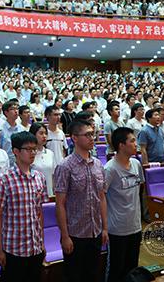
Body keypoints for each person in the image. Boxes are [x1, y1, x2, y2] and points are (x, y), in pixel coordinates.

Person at [54, 120, 108, 282]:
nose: (92, 138)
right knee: (74, 276)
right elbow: (60, 204)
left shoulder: (98, 165)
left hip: (95, 231)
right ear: (74, 138)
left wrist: (105, 228)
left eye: (93, 134)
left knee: (92, 274)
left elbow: (101, 198)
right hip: (75, 233)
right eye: (88, 135)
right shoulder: (65, 166)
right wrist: (65, 236)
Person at [0, 131, 48, 282]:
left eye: (34, 149)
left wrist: (42, 242)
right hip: (13, 249)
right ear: (16, 151)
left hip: (35, 247)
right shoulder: (4, 180)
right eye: (28, 149)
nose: (32, 153)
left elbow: (39, 213)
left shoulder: (39, 177)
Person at [104, 127, 143, 282]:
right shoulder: (110, 169)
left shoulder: (136, 164)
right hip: (117, 229)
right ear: (121, 145)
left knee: (132, 269)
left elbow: (140, 189)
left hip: (135, 226)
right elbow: (101, 197)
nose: (136, 144)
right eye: (132, 141)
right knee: (116, 270)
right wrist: (104, 227)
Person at [30, 122, 56, 196]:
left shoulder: (50, 153)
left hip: (49, 194)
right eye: (41, 133)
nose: (44, 136)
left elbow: (53, 175)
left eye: (45, 133)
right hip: (34, 195)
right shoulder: (29, 154)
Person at [0, 101, 25, 166]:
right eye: (12, 109)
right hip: (5, 163)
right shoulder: (0, 130)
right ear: (6, 112)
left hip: (20, 163)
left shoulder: (22, 128)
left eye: (17, 109)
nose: (16, 111)